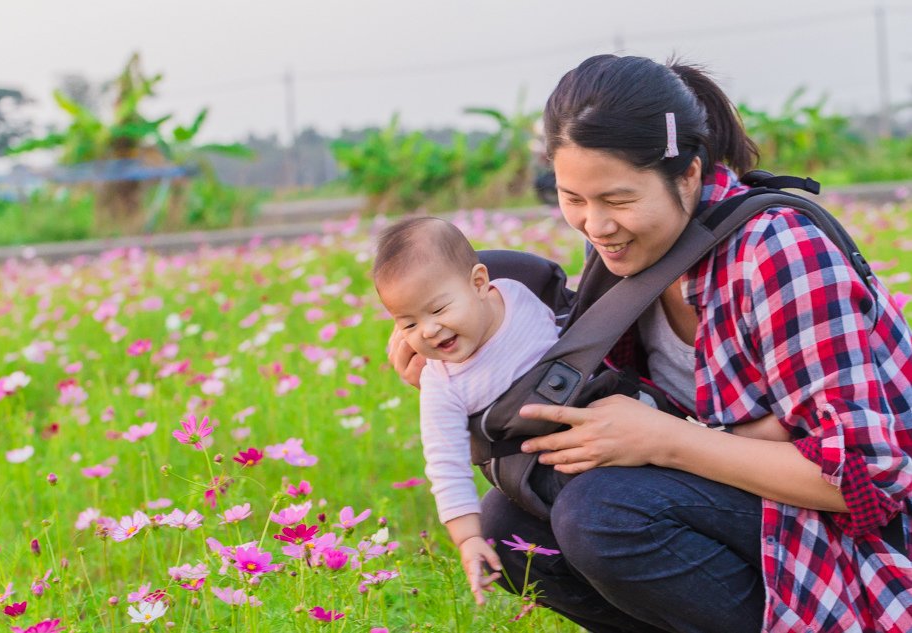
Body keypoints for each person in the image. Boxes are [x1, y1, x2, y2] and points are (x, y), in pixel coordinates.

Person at [387, 55, 912, 633]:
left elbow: (869, 479)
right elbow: (559, 326)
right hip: (752, 504)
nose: (595, 225)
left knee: (606, 512)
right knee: (510, 525)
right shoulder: (626, 252)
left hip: (860, 543)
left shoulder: (777, 251)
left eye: (617, 200)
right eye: (572, 198)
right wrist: (446, 325)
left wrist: (666, 441)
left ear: (687, 173)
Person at [373, 216, 561, 605]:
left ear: (479, 283)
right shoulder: (443, 383)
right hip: (545, 470)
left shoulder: (517, 292)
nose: (426, 330)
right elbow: (446, 465)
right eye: (407, 323)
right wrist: (469, 537)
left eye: (438, 309)